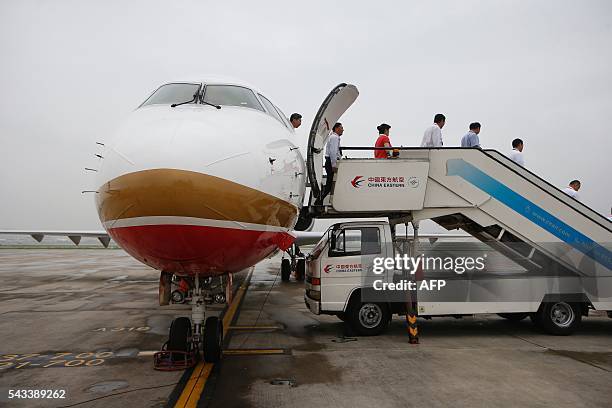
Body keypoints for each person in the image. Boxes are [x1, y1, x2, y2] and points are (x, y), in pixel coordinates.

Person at [319, 122, 343, 203]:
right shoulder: (334, 137)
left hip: (329, 161)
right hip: (331, 162)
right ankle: (319, 200)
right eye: (341, 128)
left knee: (330, 183)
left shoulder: (332, 137)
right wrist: (334, 164)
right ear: (336, 128)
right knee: (330, 183)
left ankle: (320, 199)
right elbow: (333, 152)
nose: (343, 130)